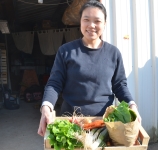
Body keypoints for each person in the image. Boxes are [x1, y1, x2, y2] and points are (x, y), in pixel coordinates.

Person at [38, 0, 141, 137]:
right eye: (86, 19)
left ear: (104, 24)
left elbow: (119, 85)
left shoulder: (113, 53)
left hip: (104, 123)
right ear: (80, 22)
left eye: (97, 21)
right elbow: (54, 83)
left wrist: (132, 105)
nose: (91, 25)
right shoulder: (66, 51)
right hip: (70, 121)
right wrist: (46, 106)